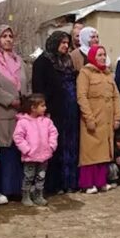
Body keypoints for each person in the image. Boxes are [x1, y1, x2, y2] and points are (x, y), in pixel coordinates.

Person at [0, 24, 29, 205]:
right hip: (2, 112)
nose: (8, 39)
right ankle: (0, 190)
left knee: (19, 149)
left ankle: (16, 188)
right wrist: (12, 100)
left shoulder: (20, 61)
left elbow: (27, 83)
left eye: (10, 36)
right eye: (4, 36)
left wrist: (26, 103)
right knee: (3, 150)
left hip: (21, 113)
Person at [32, 31, 80, 194]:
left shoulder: (67, 61)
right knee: (54, 145)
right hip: (52, 111)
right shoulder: (43, 62)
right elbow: (39, 88)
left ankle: (68, 182)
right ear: (54, 43)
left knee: (69, 145)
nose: (66, 46)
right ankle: (51, 184)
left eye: (67, 43)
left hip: (70, 110)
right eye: (62, 43)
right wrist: (44, 110)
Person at [76, 45, 120, 193]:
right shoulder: (85, 73)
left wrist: (117, 117)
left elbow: (116, 96)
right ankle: (88, 184)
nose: (102, 57)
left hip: (106, 120)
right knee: (90, 153)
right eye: (99, 55)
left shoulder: (108, 74)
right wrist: (88, 117)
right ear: (92, 57)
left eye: (104, 54)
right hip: (92, 119)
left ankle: (101, 181)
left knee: (104, 152)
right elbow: (81, 96)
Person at [13, 93, 58, 206]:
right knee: (29, 176)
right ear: (33, 108)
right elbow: (18, 137)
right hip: (30, 157)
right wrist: (27, 149)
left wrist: (51, 146)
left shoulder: (46, 121)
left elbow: (53, 133)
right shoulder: (23, 122)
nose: (45, 108)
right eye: (42, 106)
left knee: (41, 176)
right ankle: (26, 195)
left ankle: (38, 195)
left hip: (44, 155)